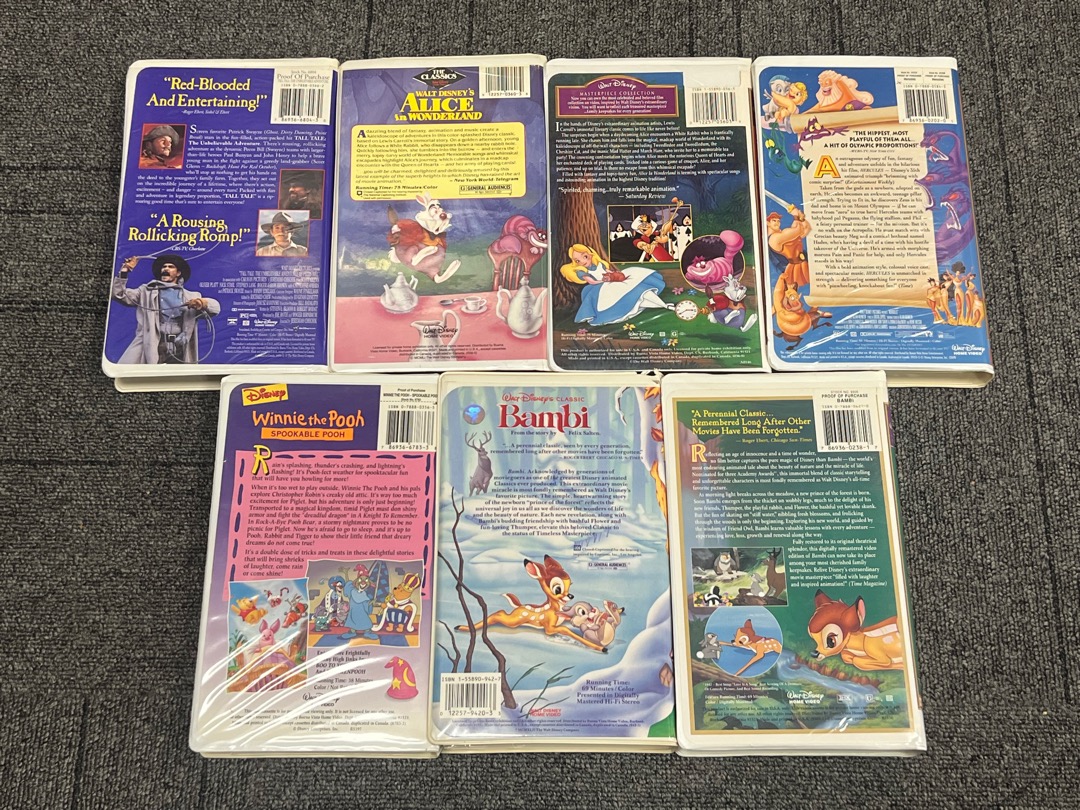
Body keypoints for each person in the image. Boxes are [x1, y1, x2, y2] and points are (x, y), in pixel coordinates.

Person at [112, 254, 219, 364]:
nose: (165, 269)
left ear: (178, 273)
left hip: (179, 346)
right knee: (141, 372)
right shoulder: (146, 292)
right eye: (164, 267)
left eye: (170, 267)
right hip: (154, 344)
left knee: (177, 374)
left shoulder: (191, 296)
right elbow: (118, 294)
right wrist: (124, 271)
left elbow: (215, 309)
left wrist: (202, 303)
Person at [559, 244, 671, 326]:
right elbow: (592, 282)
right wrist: (604, 281)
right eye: (577, 261)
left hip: (609, 281)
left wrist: (614, 275)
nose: (582, 261)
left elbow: (607, 271)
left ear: (590, 254)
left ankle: (663, 305)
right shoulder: (581, 271)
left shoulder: (599, 263)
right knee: (622, 295)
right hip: (598, 287)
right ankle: (660, 306)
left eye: (584, 257)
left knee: (636, 286)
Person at [766, 209, 812, 288]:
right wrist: (796, 215)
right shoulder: (774, 238)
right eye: (774, 221)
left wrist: (801, 218)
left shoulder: (784, 235)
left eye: (778, 221)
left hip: (803, 267)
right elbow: (798, 230)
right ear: (768, 223)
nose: (777, 223)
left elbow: (806, 229)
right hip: (793, 271)